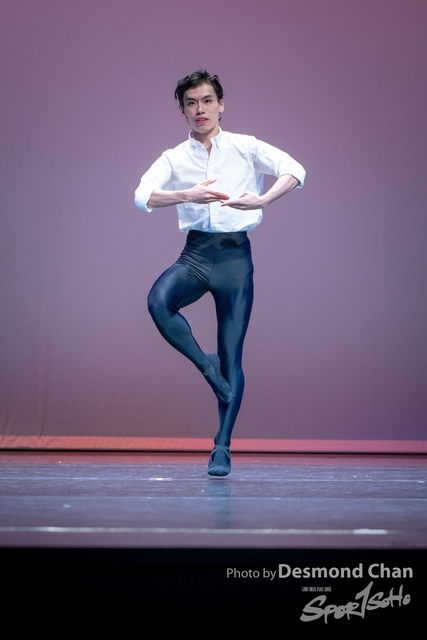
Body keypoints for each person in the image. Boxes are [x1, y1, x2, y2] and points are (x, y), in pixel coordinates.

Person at [135, 69, 305, 476]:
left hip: (234, 261)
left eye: (207, 101)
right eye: (191, 103)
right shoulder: (174, 157)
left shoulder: (245, 147)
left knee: (232, 355)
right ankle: (204, 365)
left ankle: (222, 447)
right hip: (196, 255)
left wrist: (263, 199)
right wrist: (187, 194)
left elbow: (295, 169)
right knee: (159, 302)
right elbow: (142, 196)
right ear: (182, 110)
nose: (200, 109)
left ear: (221, 105)